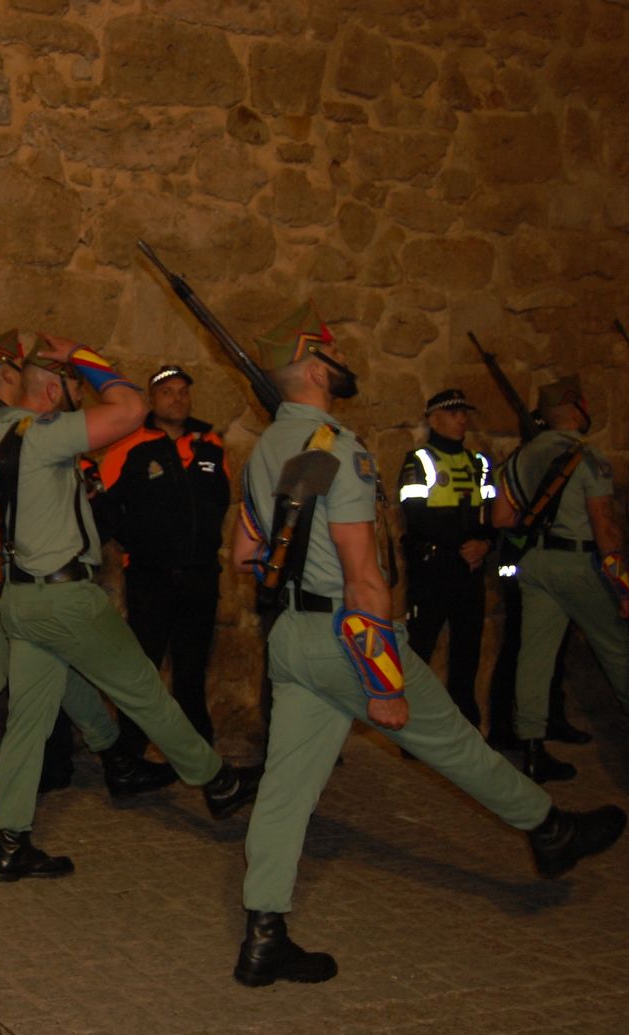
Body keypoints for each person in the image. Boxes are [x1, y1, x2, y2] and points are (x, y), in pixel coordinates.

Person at [230, 303, 623, 987]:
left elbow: (244, 552)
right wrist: (382, 682)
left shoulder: (268, 447)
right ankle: (550, 830)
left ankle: (264, 932)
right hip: (348, 635)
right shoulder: (335, 447)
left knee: (284, 792)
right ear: (318, 369)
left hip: (289, 637)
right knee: (453, 740)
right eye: (333, 353)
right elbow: (364, 575)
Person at [0, 336, 261, 881]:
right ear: (55, 389)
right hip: (64, 597)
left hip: (19, 596)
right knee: (144, 689)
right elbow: (130, 408)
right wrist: (83, 355)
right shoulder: (44, 434)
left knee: (28, 724)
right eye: (70, 387)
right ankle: (219, 783)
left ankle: (11, 842)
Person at [0, 334, 176, 828]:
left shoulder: (1, 428)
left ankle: (107, 758)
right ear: (11, 374)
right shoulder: (8, 430)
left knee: (46, 666)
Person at [493, 374, 629, 782]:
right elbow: (604, 525)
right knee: (618, 650)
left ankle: (533, 751)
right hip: (580, 565)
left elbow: (501, 517)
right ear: (577, 409)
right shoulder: (588, 456)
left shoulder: (521, 457)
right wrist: (623, 583)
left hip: (535, 565)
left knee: (534, 655)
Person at [97, 364, 230, 753]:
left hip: (201, 577)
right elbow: (105, 507)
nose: (177, 398)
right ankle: (132, 754)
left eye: (183, 391)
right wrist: (137, 541)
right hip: (150, 579)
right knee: (144, 670)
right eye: (167, 391)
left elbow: (219, 500)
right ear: (152, 400)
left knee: (191, 672)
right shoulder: (127, 447)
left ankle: (199, 754)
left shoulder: (210, 444)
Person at [395, 389, 495, 734]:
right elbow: (415, 515)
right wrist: (462, 545)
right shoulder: (418, 461)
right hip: (433, 569)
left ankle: (464, 725)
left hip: (470, 570)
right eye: (453, 413)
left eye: (463, 413)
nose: (461, 419)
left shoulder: (479, 463)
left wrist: (484, 544)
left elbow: (491, 514)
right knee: (420, 648)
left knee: (467, 650)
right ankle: (413, 730)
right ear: (433, 418)